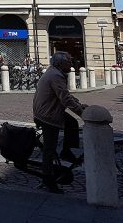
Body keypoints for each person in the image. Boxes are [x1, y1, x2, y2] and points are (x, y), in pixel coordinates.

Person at [33, 51, 87, 194]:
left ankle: (66, 151)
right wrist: (82, 113)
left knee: (71, 123)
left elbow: (65, 95)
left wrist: (79, 105)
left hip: (47, 110)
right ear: (60, 63)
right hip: (47, 115)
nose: (71, 63)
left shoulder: (54, 72)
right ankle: (48, 179)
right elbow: (65, 99)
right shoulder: (56, 75)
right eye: (69, 61)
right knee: (49, 149)